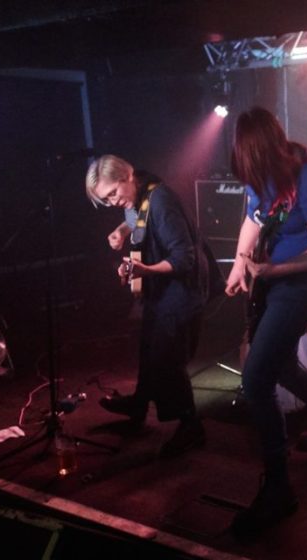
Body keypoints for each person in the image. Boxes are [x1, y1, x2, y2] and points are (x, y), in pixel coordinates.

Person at [224, 107, 307, 538]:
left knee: (258, 376)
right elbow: (252, 218)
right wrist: (239, 266)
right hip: (270, 281)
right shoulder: (259, 176)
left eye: (253, 165)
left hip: (301, 284)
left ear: (268, 150)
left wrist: (272, 273)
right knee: (278, 366)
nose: (251, 178)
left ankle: (279, 489)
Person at [85, 155, 209, 458]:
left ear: (127, 176)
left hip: (182, 290)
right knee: (148, 348)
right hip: (162, 288)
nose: (112, 201)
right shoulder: (139, 191)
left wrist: (144, 271)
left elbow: (184, 259)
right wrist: (122, 232)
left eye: (113, 193)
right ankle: (138, 407)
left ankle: (191, 426)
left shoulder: (161, 201)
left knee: (168, 358)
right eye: (105, 199)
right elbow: (135, 216)